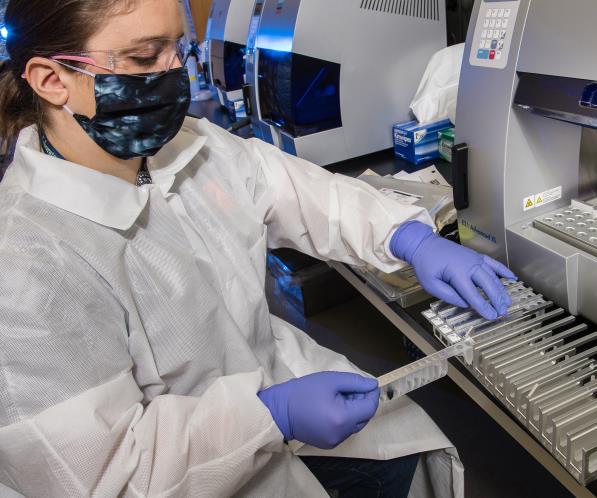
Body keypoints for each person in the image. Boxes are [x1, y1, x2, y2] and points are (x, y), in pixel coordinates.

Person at [0, 1, 516, 496]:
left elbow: (302, 192)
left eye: (178, 48)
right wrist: (268, 416)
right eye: (144, 57)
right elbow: (104, 475)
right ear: (51, 79)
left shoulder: (189, 145)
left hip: (280, 385)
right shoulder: (24, 263)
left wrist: (409, 238)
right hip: (192, 468)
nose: (174, 72)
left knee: (403, 453)